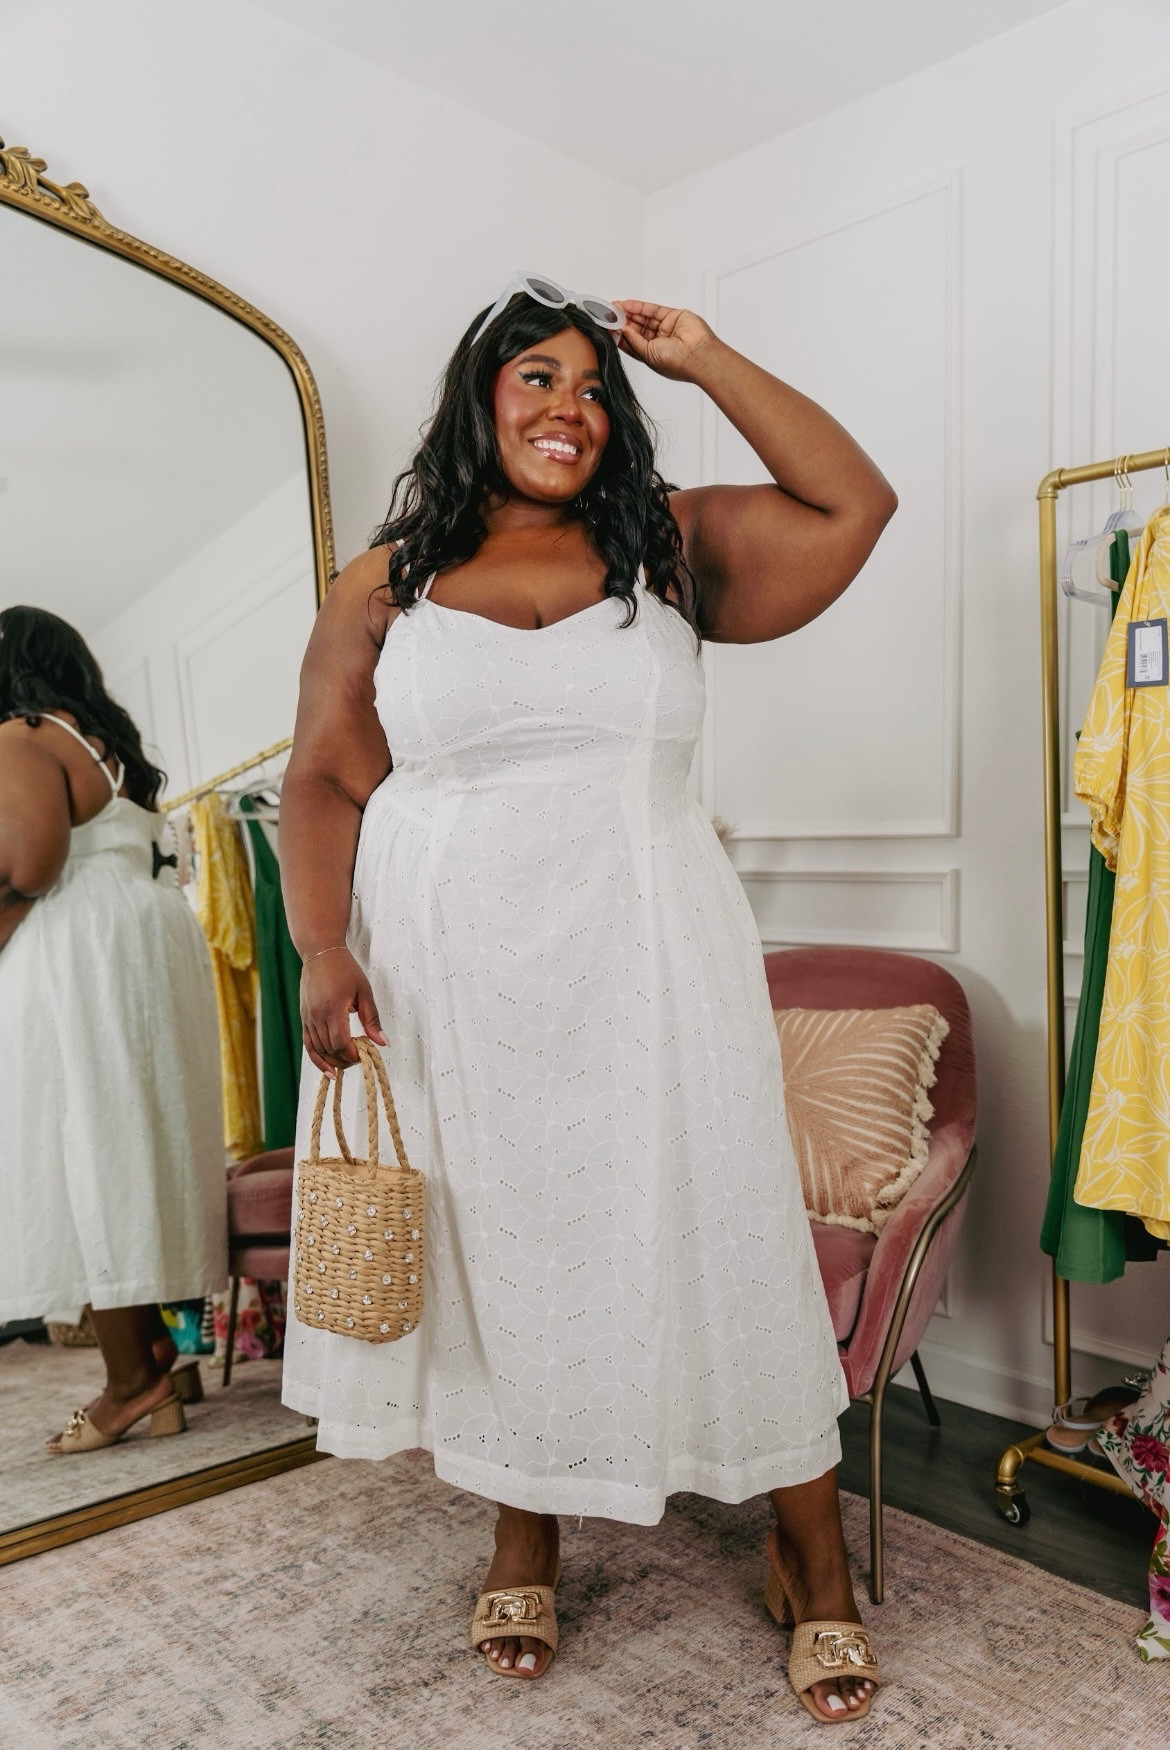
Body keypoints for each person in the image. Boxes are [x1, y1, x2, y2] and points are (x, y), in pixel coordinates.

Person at [280, 278, 897, 1723]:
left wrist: (702, 356)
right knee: (500, 1241)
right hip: (452, 974)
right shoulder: (383, 583)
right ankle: (523, 1524)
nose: (568, 405)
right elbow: (319, 772)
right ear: (477, 395)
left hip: (652, 959)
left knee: (722, 1224)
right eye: (535, 376)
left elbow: (851, 506)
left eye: (593, 386)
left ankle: (807, 1550)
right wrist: (320, 945)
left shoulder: (666, 548)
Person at [0, 606, 227, 1452]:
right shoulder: (109, 748)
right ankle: (166, 1355)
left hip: (77, 947)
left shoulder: (24, 736)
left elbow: (28, 865)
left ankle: (134, 1379)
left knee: (79, 1147)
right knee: (138, 1141)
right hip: (145, 935)